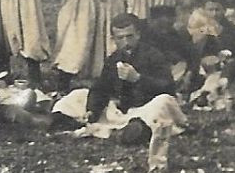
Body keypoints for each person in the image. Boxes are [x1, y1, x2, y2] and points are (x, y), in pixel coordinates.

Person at [55, 13, 186, 143]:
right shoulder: (113, 59)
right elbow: (101, 89)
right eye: (120, 38)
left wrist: (138, 79)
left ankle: (133, 131)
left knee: (163, 102)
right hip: (120, 111)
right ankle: (63, 119)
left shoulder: (153, 55)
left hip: (146, 108)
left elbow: (168, 87)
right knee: (78, 94)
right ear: (114, 39)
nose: (126, 42)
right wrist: (92, 110)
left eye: (130, 36)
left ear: (138, 35)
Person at [140, 5, 197, 91]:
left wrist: (189, 74)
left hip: (179, 76)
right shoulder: (144, 39)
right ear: (151, 21)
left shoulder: (179, 36)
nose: (164, 30)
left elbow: (192, 57)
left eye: (168, 25)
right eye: (160, 26)